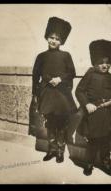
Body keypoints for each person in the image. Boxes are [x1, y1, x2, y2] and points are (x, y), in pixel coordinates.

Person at [75, 39, 111, 176]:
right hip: (93, 115)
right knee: (93, 142)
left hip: (108, 116)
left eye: (107, 62)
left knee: (107, 142)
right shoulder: (89, 75)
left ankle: (106, 163)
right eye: (101, 62)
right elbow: (79, 91)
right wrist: (87, 104)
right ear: (95, 62)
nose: (104, 65)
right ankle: (88, 164)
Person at [32, 17, 77, 163]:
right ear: (47, 37)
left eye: (57, 39)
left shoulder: (66, 56)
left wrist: (60, 79)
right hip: (47, 94)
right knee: (50, 123)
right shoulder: (41, 56)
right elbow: (35, 76)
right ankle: (51, 150)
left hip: (62, 95)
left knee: (62, 124)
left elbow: (72, 73)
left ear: (61, 41)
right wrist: (35, 95)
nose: (54, 41)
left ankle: (60, 151)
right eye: (51, 37)